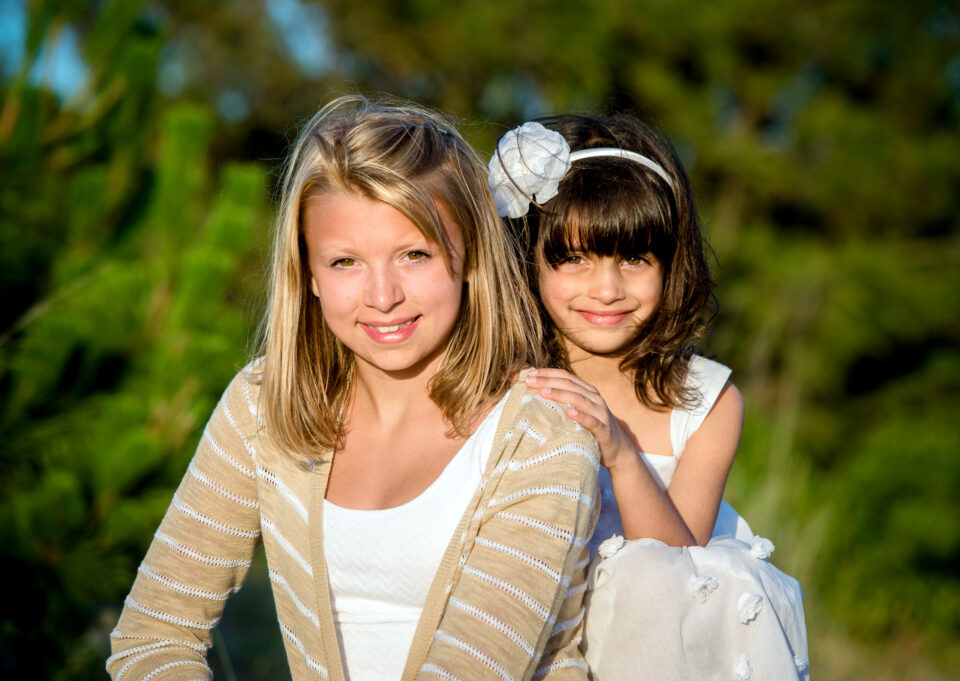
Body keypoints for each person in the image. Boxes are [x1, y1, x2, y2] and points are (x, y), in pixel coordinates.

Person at [107, 96, 601, 681]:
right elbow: (152, 637)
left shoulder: (542, 439)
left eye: (415, 254)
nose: (383, 295)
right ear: (308, 274)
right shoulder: (264, 407)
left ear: (470, 257)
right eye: (345, 262)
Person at [488, 113, 808, 680]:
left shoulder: (705, 402)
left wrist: (622, 453)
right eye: (575, 258)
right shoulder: (506, 380)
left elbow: (680, 574)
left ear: (670, 263)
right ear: (528, 261)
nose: (607, 289)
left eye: (634, 259)